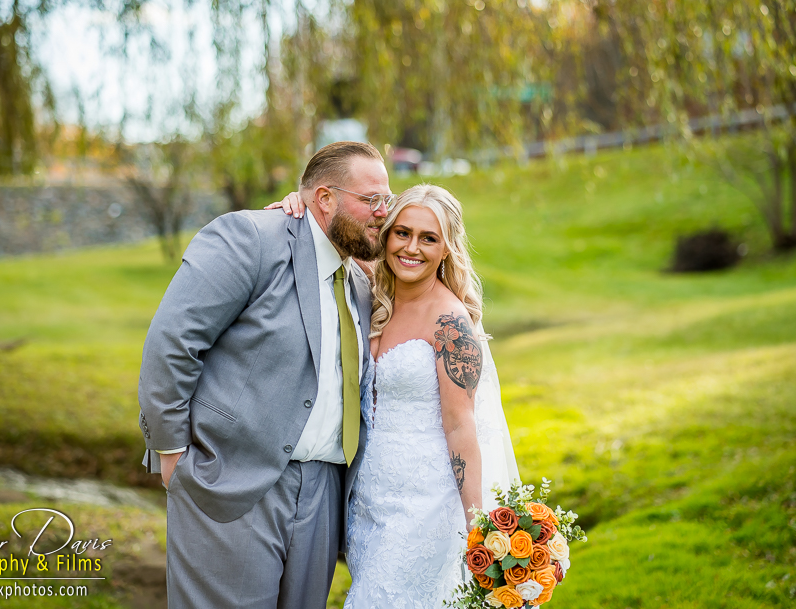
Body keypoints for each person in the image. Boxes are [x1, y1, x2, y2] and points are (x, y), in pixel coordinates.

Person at [137, 140, 394, 609]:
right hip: (231, 481)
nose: (383, 212)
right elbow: (173, 341)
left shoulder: (359, 281)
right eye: (371, 199)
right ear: (325, 199)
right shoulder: (250, 238)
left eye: (387, 199)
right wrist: (172, 453)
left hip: (323, 496)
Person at [269, 183, 518, 608]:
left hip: (426, 504)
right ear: (386, 236)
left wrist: (479, 525)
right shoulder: (368, 290)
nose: (411, 248)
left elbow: (462, 426)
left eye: (428, 238)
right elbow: (324, 230)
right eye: (402, 232)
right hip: (369, 500)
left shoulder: (451, 323)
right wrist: (299, 202)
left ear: (446, 249)